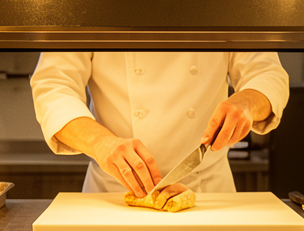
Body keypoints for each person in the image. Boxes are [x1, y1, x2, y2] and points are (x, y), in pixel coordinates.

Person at [30, 51, 289, 203]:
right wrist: (101, 142)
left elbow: (267, 73)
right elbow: (54, 86)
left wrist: (247, 102)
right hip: (114, 195)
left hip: (207, 194)